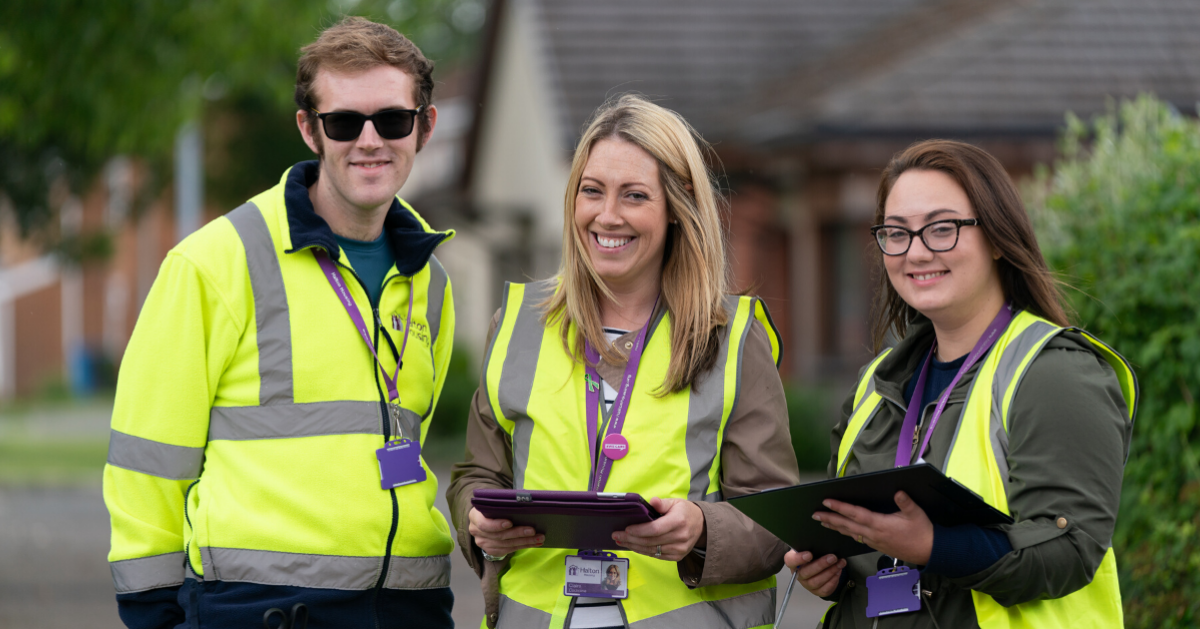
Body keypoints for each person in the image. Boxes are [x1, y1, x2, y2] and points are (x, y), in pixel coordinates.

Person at [103, 17, 458, 629]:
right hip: (261, 609)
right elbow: (149, 460)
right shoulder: (212, 263)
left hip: (409, 606)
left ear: (424, 126)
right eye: (344, 122)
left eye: (392, 120)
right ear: (309, 129)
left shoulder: (431, 281)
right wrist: (150, 614)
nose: (369, 140)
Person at [446, 94, 801, 629]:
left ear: (677, 212)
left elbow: (776, 515)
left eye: (634, 196)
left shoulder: (732, 339)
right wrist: (477, 518)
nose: (607, 216)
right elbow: (477, 473)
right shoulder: (516, 324)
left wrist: (702, 530)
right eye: (592, 191)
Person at [784, 140, 1137, 628]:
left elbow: (1070, 547)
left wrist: (933, 546)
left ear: (997, 238)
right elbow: (858, 536)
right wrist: (833, 570)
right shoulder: (876, 383)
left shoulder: (1054, 373)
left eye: (942, 229)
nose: (917, 251)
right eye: (897, 233)